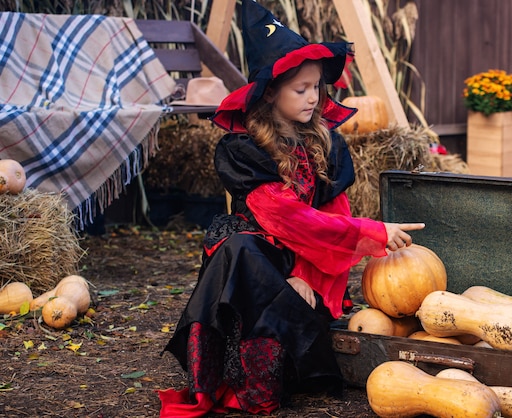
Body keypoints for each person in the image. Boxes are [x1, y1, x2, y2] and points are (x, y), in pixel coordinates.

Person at [158, 1, 425, 416]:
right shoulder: (246, 150)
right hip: (259, 255)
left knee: (293, 296)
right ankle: (238, 378)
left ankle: (277, 367)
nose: (312, 97)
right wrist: (372, 232)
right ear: (270, 94)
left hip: (304, 260)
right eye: (300, 89)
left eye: (316, 87)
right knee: (239, 250)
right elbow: (285, 217)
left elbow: (332, 216)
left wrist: (303, 275)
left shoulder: (326, 144)